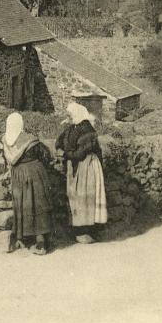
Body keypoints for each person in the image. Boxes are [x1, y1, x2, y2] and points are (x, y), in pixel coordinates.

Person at [55, 102, 107, 243]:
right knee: (77, 197)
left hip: (87, 166)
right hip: (76, 166)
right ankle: (80, 231)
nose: (69, 117)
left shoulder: (87, 129)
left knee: (86, 197)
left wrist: (66, 154)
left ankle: (86, 231)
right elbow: (58, 143)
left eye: (71, 114)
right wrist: (62, 149)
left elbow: (80, 153)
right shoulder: (72, 128)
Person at [1, 112, 52, 255]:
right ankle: (41, 242)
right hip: (36, 173)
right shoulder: (30, 139)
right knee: (38, 204)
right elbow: (46, 155)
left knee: (22, 205)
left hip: (18, 175)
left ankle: (20, 238)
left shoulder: (5, 140)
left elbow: (9, 160)